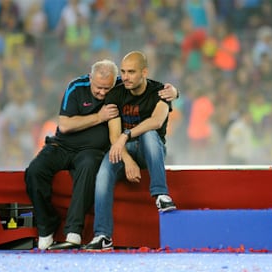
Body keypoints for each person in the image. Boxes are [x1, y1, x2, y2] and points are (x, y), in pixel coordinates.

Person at [25, 59, 178, 250]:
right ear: (90, 79)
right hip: (64, 145)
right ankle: (50, 226)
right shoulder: (78, 87)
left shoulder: (123, 85)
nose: (103, 93)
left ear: (116, 80)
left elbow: (146, 87)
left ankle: (74, 232)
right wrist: (100, 117)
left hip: (95, 151)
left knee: (90, 167)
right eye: (98, 87)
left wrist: (175, 92)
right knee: (34, 171)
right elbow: (65, 125)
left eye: (108, 88)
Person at [82, 51, 177, 251]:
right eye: (123, 71)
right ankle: (102, 235)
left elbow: (156, 121)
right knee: (103, 174)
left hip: (150, 150)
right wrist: (126, 159)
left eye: (131, 72)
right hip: (123, 150)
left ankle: (161, 194)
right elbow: (114, 136)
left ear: (144, 72)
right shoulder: (116, 93)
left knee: (150, 133)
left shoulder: (159, 91)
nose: (125, 77)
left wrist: (126, 135)